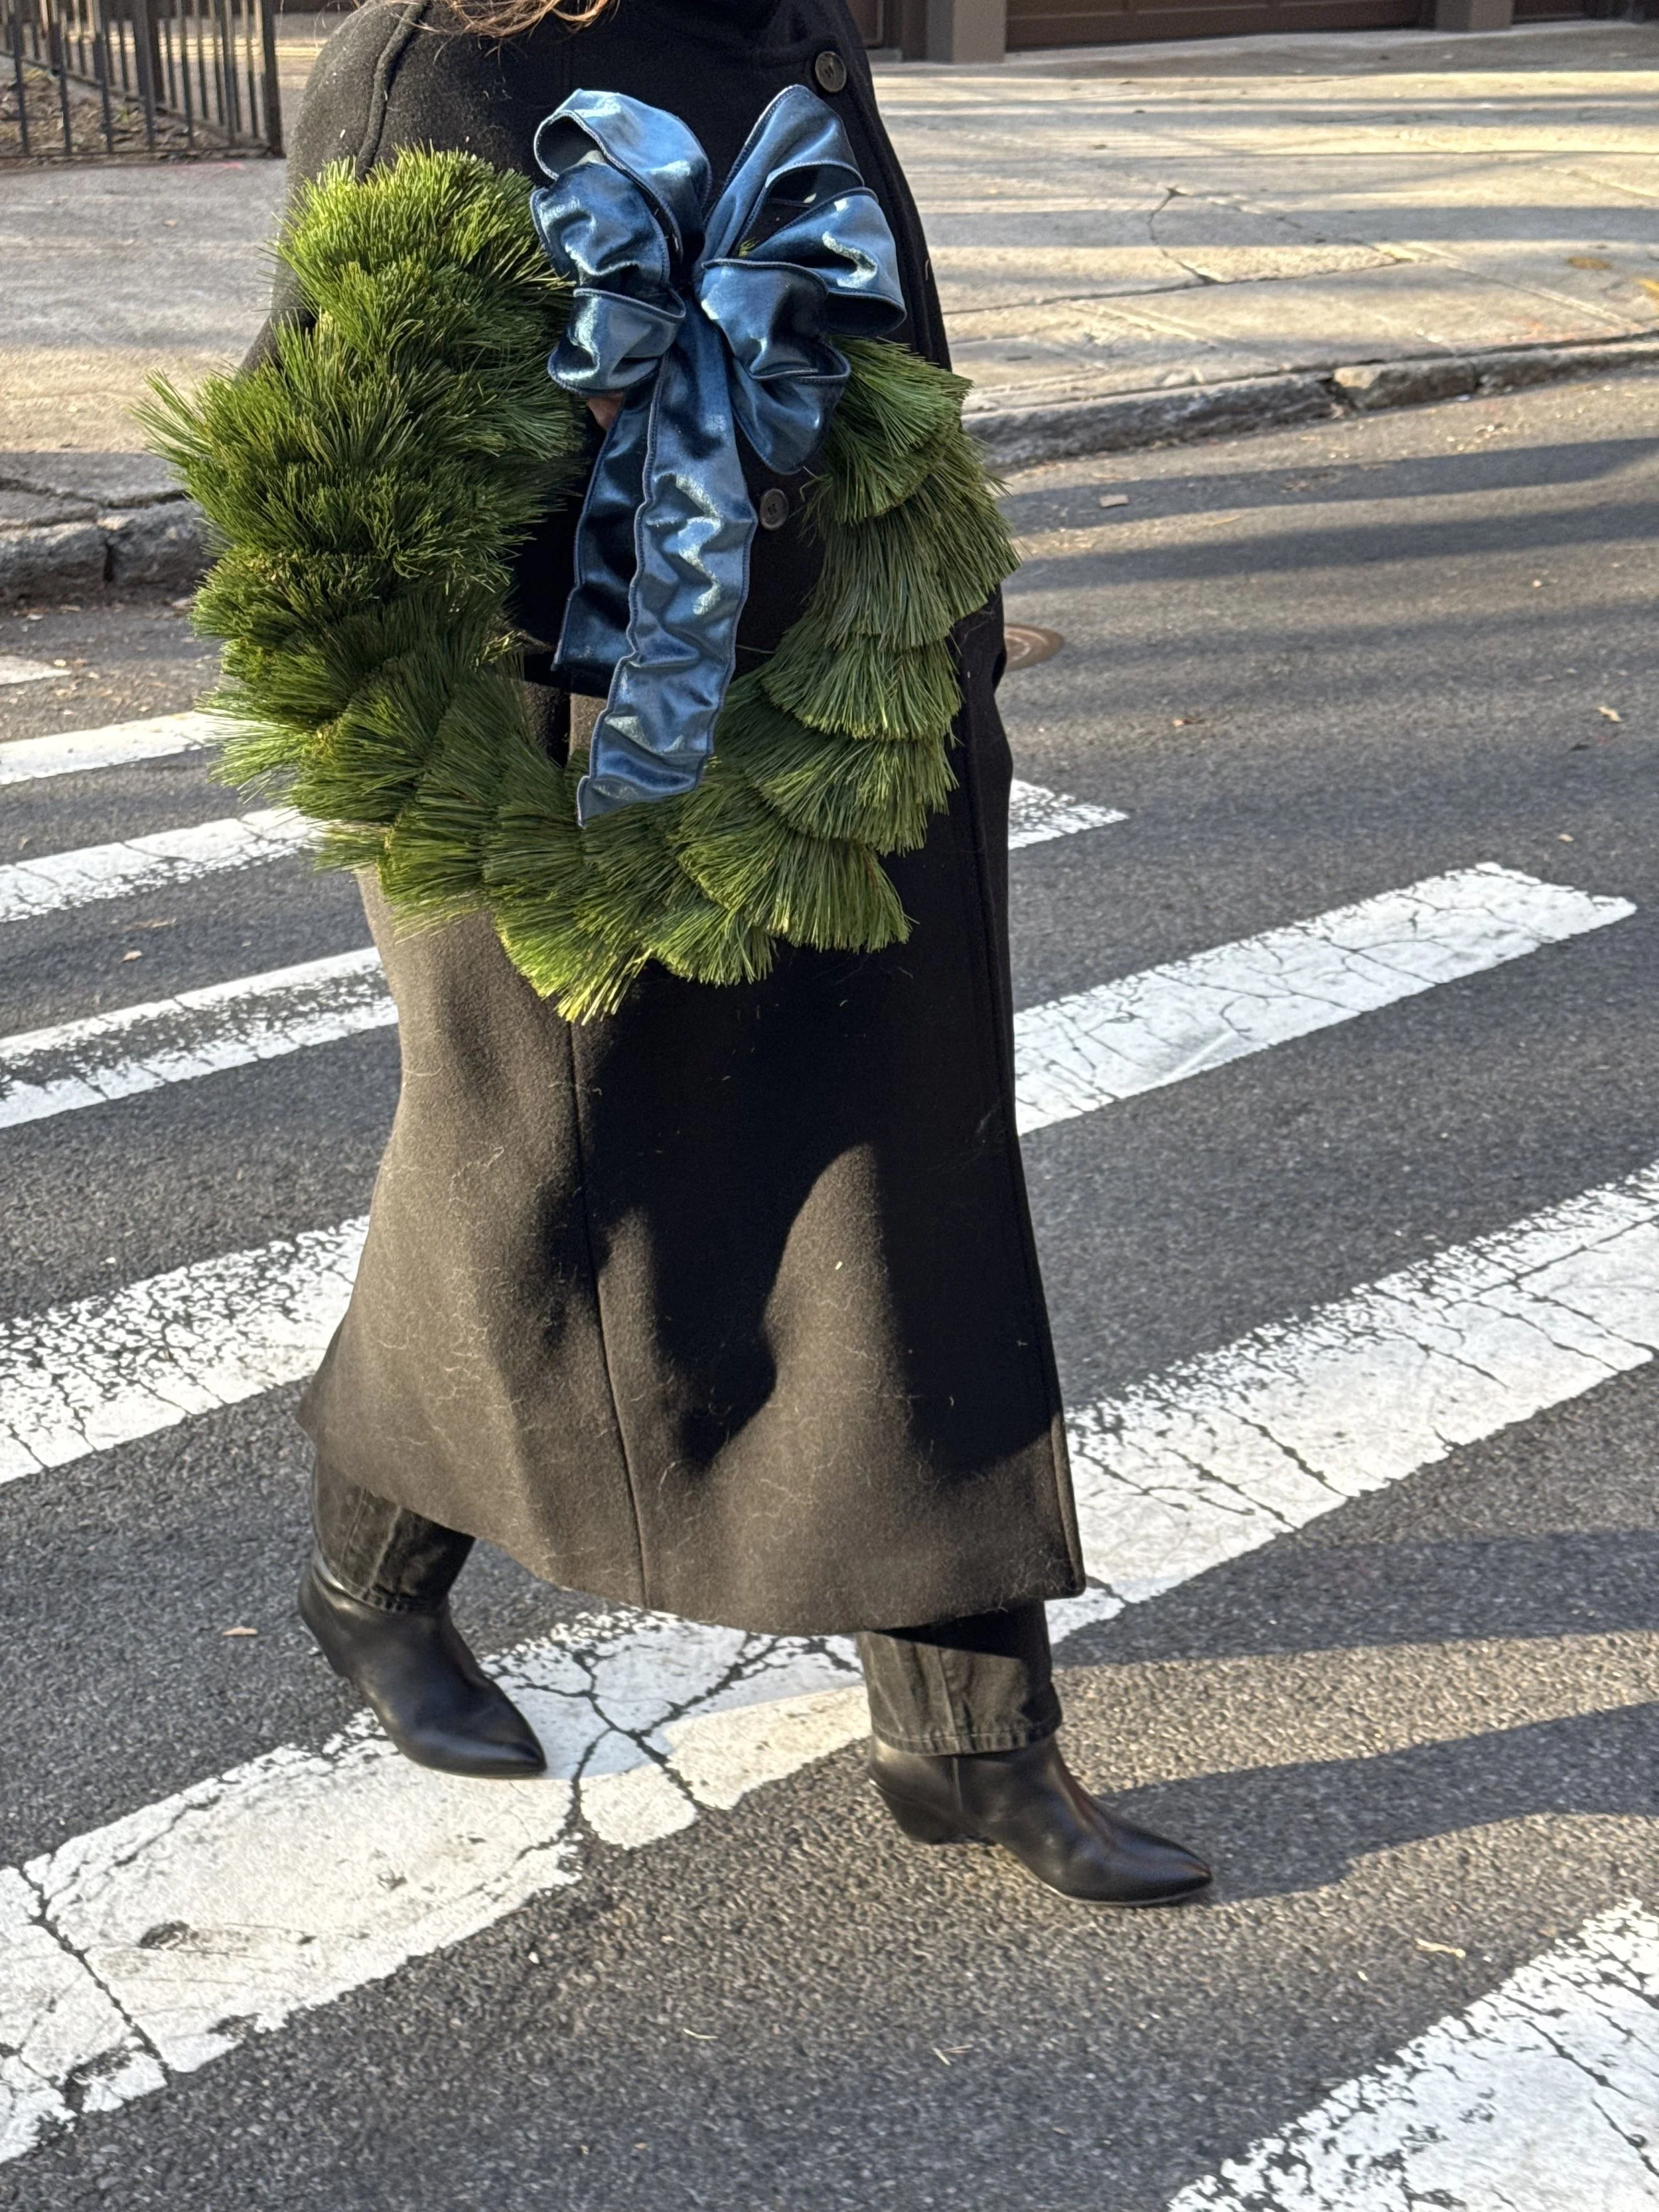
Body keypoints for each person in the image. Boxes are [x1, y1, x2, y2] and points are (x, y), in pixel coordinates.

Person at [261, 0, 1210, 1908]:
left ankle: (967, 1737)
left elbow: (883, 371)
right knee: (521, 1207)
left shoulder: (787, 28)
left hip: (856, 715)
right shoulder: (439, 73)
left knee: (900, 1200)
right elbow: (325, 519)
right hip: (581, 760)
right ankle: (368, 1583)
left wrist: (932, 633)